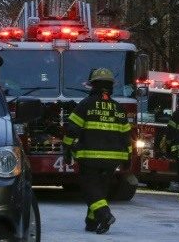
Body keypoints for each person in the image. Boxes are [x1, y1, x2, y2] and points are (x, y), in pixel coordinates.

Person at [63, 68, 131, 235]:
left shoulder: (85, 104)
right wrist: (128, 156)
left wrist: (67, 148)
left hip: (90, 157)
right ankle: (92, 222)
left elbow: (72, 129)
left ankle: (104, 215)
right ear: (111, 86)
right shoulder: (118, 108)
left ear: (93, 85)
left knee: (90, 189)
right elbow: (126, 135)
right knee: (100, 189)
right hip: (113, 158)